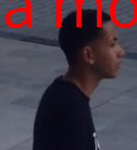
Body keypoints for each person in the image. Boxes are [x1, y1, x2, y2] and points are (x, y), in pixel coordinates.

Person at [32, 8, 125, 150]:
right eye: (112, 44)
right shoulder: (70, 111)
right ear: (88, 55)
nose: (121, 52)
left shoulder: (67, 95)